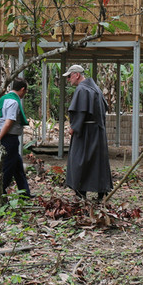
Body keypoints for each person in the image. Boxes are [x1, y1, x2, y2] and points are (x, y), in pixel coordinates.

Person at [63, 65, 113, 201]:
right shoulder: (95, 88)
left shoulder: (82, 89)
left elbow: (80, 112)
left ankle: (81, 191)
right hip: (98, 132)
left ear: (76, 75)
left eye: (69, 76)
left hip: (86, 133)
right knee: (98, 162)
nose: (68, 80)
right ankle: (100, 192)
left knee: (79, 160)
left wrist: (74, 127)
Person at [0, 78, 33, 198]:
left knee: (18, 167)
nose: (24, 94)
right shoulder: (14, 102)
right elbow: (9, 122)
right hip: (9, 137)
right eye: (25, 91)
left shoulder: (3, 99)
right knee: (8, 167)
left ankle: (25, 193)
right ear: (22, 89)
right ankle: (0, 191)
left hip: (5, 135)